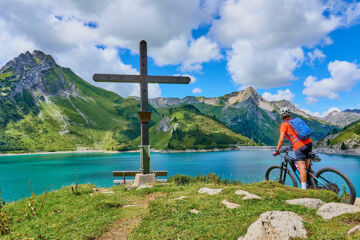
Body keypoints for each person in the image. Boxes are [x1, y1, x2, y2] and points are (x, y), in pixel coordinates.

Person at [273, 107, 312, 190]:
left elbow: (281, 139)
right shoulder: (297, 121)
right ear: (290, 114)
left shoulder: (284, 124)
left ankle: (304, 189)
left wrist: (277, 150)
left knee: (301, 167)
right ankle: (312, 183)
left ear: (281, 116)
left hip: (299, 146)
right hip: (309, 143)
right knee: (307, 167)